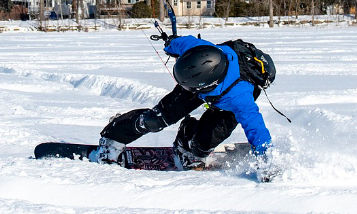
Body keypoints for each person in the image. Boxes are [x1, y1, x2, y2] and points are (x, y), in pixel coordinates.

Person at [90, 34, 280, 181]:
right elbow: (182, 42)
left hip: (226, 98)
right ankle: (112, 138)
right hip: (196, 78)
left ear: (207, 85)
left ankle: (188, 143)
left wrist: (266, 160)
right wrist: (169, 43)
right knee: (154, 120)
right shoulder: (197, 49)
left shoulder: (240, 99)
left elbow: (257, 129)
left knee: (206, 141)